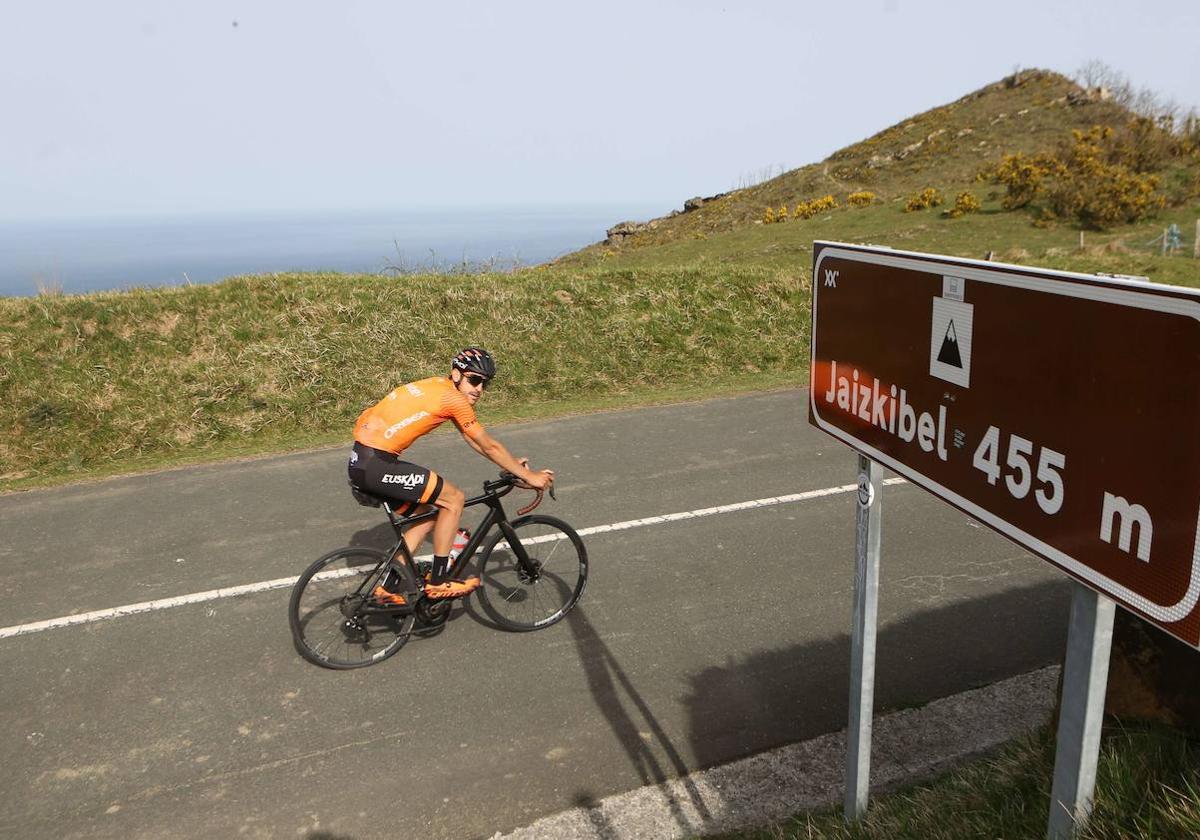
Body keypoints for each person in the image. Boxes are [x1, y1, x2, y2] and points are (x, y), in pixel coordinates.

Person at [348, 347, 554, 603]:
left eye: (484, 384)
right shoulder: (453, 400)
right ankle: (438, 582)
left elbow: (477, 442)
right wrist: (531, 476)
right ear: (456, 374)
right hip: (378, 465)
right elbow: (488, 445)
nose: (479, 388)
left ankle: (388, 589)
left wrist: (514, 466)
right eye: (474, 380)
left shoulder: (437, 386)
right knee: (453, 499)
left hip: (362, 463)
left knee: (425, 515)